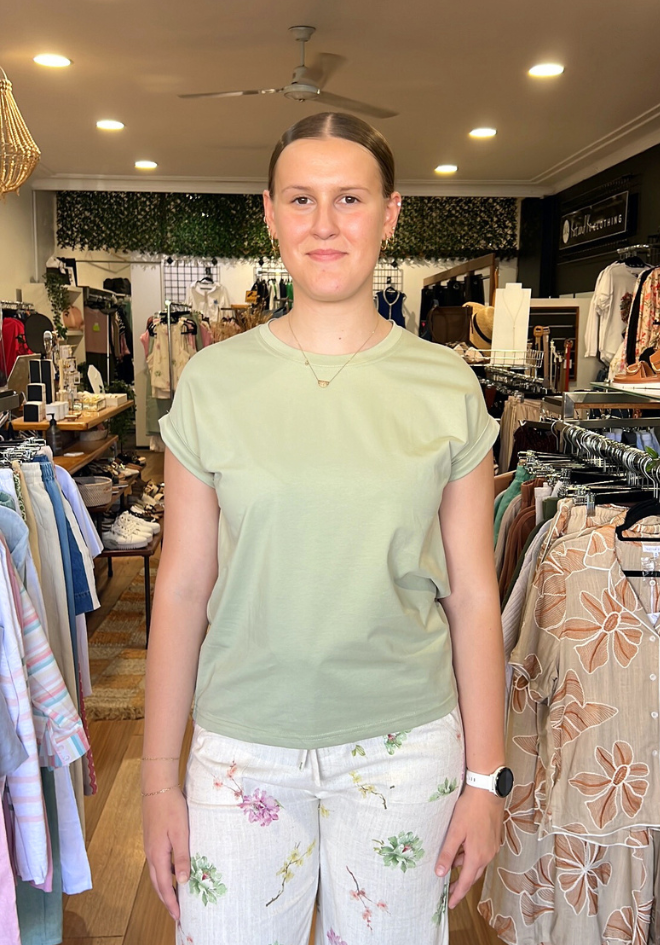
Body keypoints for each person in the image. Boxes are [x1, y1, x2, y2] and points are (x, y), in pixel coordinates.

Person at [142, 111, 508, 945]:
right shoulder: (211, 381)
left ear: (390, 213)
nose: (325, 223)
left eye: (350, 197)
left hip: (405, 746)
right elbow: (184, 583)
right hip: (240, 746)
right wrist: (158, 779)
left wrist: (486, 780)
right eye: (301, 199)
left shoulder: (446, 385)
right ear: (270, 214)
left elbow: (475, 592)